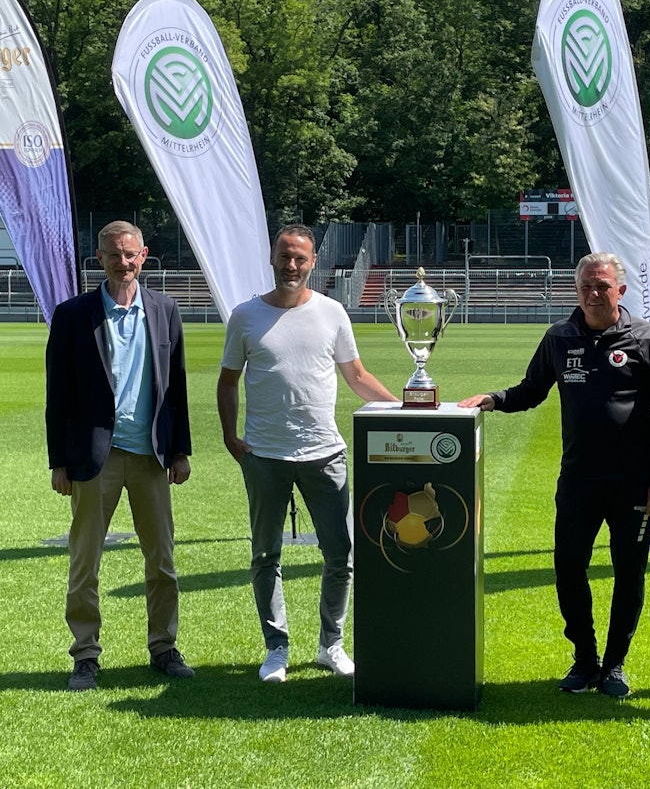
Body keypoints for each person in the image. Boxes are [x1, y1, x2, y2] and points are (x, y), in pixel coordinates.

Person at [459, 252, 650, 698]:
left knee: (629, 573)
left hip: (635, 483)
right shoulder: (559, 338)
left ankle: (615, 664)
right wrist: (492, 399)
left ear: (620, 290)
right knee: (568, 569)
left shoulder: (647, 338)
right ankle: (585, 658)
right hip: (579, 480)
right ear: (576, 290)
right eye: (585, 286)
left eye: (602, 285)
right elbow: (531, 390)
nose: (593, 293)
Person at [218, 224, 398, 684]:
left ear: (313, 262)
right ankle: (276, 648)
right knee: (265, 556)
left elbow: (356, 375)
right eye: (284, 257)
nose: (291, 265)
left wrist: (406, 408)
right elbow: (228, 381)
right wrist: (229, 437)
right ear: (273, 259)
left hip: (325, 454)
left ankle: (330, 645)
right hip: (264, 456)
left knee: (341, 555)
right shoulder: (244, 316)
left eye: (299, 258)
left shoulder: (332, 313)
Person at [46, 220, 194, 691]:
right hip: (95, 458)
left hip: (151, 455)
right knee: (84, 561)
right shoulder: (73, 315)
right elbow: (58, 395)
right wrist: (59, 462)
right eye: (113, 254)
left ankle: (164, 647)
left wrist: (181, 450)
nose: (123, 262)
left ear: (143, 255)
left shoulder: (165, 309)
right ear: (100, 257)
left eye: (129, 254)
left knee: (162, 561)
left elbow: (177, 389)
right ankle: (85, 655)